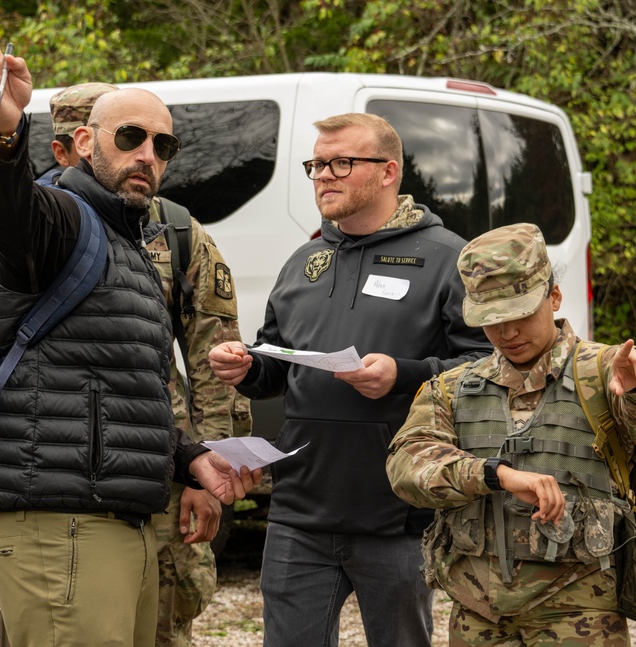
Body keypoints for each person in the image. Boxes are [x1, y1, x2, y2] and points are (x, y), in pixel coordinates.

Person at [0, 23, 260, 647]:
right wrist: (5, 132)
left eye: (163, 144)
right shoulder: (61, 220)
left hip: (119, 512)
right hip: (63, 521)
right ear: (78, 144)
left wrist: (192, 458)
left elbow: (124, 391)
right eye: (130, 138)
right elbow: (9, 212)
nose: (148, 155)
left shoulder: (136, 241)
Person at [208, 113, 492, 647]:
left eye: (341, 162)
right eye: (316, 164)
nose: (323, 175)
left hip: (397, 514)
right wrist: (246, 366)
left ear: (388, 172)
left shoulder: (447, 257)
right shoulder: (304, 261)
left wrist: (404, 376)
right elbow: (277, 362)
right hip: (299, 513)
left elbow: (484, 369)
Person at [385, 223, 636, 647]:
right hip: (478, 614)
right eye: (492, 321)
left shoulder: (602, 373)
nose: (507, 333)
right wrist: (493, 475)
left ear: (554, 297)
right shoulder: (453, 388)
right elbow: (406, 465)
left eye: (520, 315)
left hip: (579, 609)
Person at [47, 82, 253, 647]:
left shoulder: (178, 234)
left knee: (163, 621)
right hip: (59, 475)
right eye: (62, 146)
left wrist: (207, 470)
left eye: (155, 143)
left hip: (163, 462)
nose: (144, 155)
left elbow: (218, 359)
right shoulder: (35, 228)